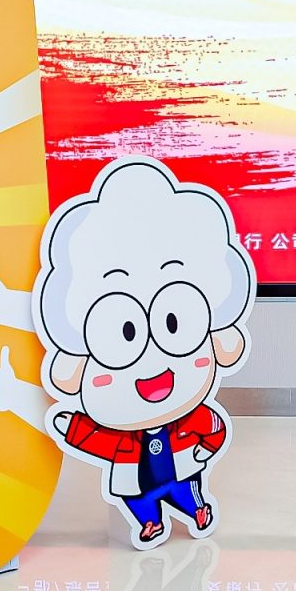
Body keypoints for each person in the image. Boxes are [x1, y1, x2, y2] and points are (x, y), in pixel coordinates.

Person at [33, 159, 253, 547]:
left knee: (185, 489)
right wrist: (72, 427)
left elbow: (212, 428)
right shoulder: (120, 430)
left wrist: (204, 448)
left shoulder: (191, 417)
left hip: (182, 465)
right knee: (138, 498)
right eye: (123, 335)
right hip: (134, 475)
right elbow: (99, 439)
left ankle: (196, 510)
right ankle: (149, 522)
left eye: (174, 324)